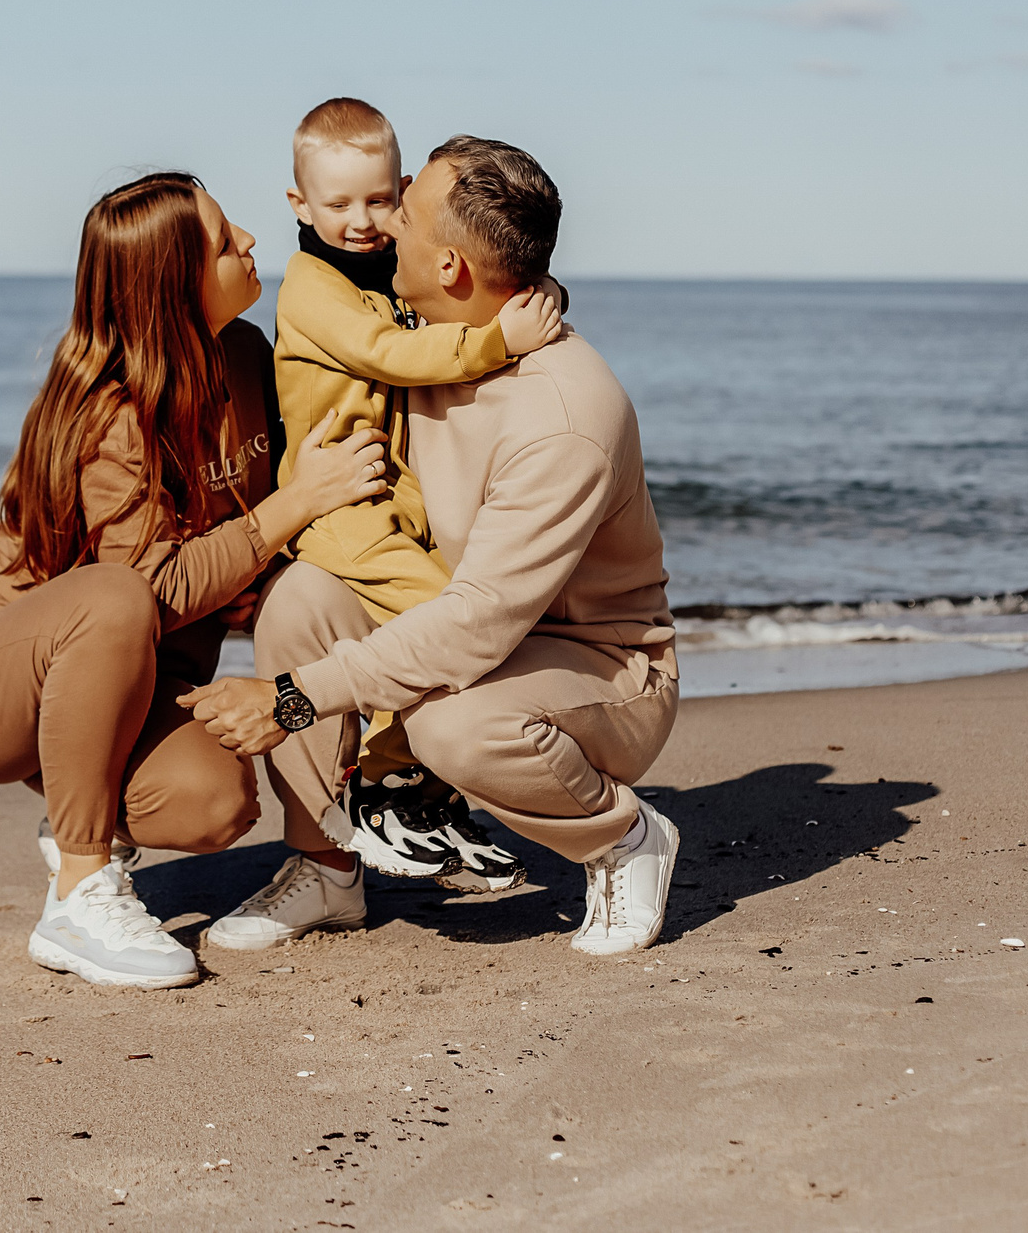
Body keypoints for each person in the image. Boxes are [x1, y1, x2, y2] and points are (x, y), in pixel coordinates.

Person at [184, 137, 683, 958]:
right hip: (467, 614)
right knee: (302, 598)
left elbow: (477, 626)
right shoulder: (433, 330)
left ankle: (622, 836)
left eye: (402, 214)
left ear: (450, 267)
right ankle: (326, 865)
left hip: (602, 666)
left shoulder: (561, 420)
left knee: (449, 724)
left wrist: (292, 698)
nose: (383, 226)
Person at [0, 171, 390, 990]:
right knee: (118, 594)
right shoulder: (109, 412)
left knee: (217, 799)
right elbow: (152, 590)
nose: (249, 240)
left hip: (127, 682)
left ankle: (93, 816)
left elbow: (255, 551)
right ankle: (80, 888)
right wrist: (294, 501)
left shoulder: (243, 355)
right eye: (223, 236)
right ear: (175, 283)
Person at [270, 97, 561, 893]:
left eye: (377, 200)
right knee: (441, 622)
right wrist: (500, 340)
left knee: (446, 625)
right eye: (337, 204)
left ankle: (424, 796)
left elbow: (449, 294)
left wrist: (530, 292)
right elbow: (390, 352)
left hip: (394, 504)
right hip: (339, 509)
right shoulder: (310, 286)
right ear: (300, 206)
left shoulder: (381, 271)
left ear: (401, 193)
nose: (362, 220)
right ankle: (382, 781)